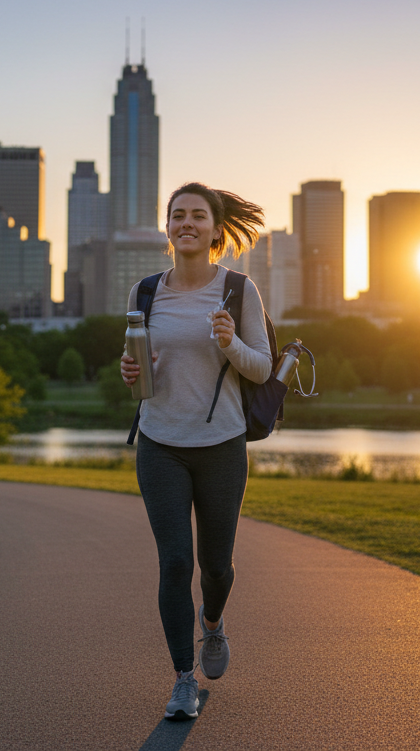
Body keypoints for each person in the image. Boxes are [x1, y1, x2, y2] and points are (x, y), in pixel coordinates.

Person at [121, 182, 272, 721]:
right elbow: (136, 369)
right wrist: (130, 371)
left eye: (197, 216)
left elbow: (262, 367)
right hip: (161, 443)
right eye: (177, 215)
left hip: (221, 446)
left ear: (214, 227)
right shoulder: (144, 292)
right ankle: (183, 679)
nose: (187, 223)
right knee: (175, 561)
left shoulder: (237, 289)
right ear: (168, 228)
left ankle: (212, 621)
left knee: (216, 567)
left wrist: (231, 343)